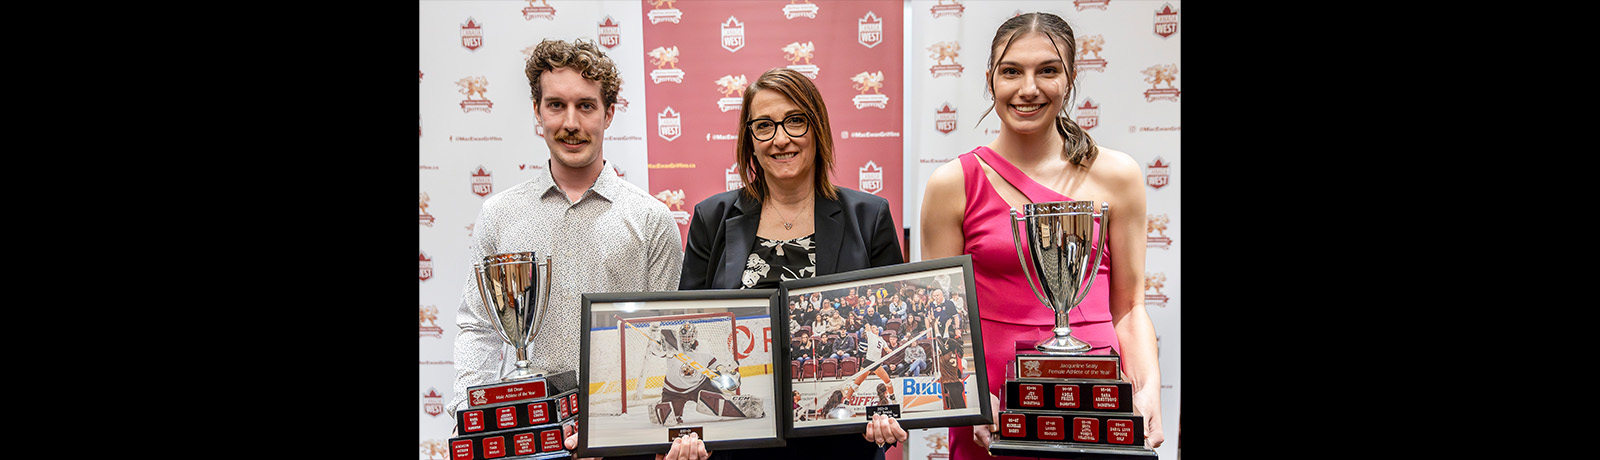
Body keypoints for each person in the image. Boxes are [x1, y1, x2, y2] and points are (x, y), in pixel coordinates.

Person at [918, 12, 1166, 457]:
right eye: (1012, 71)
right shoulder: (951, 184)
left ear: (1070, 78)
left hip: (1097, 400)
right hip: (991, 405)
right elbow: (941, 324)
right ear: (990, 78)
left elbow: (1129, 307)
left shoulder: (1119, 176)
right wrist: (970, 399)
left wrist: (1148, 392)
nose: (1028, 89)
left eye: (1047, 70)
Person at [446, 38, 685, 457]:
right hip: (524, 439)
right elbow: (479, 327)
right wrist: (470, 414)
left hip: (622, 442)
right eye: (556, 105)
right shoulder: (500, 215)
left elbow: (668, 339)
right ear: (537, 112)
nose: (570, 122)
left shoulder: (652, 220)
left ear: (609, 114)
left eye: (586, 106)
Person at [678, 67, 906, 460]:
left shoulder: (869, 216)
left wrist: (886, 411)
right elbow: (690, 330)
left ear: (817, 128)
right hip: (737, 440)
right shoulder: (711, 218)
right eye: (764, 125)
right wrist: (687, 431)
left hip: (841, 442)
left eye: (795, 121)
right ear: (750, 140)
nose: (780, 139)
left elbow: (890, 334)